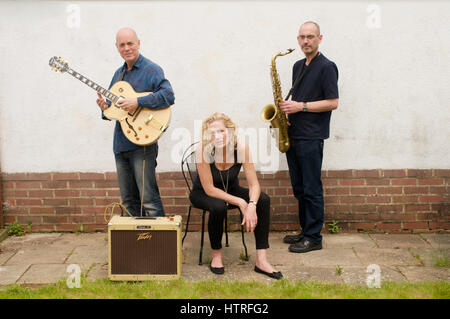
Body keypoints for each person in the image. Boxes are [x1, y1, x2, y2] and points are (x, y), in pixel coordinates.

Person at [189, 112, 282, 279]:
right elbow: (209, 189)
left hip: (231, 189)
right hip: (203, 193)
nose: (217, 136)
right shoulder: (203, 151)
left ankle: (261, 260)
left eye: (221, 131)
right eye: (212, 133)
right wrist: (240, 202)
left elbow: (254, 184)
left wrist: (252, 204)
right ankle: (216, 255)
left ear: (230, 131)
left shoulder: (241, 148)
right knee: (218, 206)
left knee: (263, 200)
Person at [96, 27, 175, 217]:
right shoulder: (118, 75)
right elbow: (114, 112)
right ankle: (138, 242)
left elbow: (168, 95)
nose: (127, 48)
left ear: (138, 43)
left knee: (148, 199)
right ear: (117, 48)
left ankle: (159, 244)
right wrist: (104, 109)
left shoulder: (151, 69)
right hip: (121, 144)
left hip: (143, 145)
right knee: (128, 200)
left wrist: (137, 101)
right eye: (122, 45)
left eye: (130, 43)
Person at [279, 21, 339, 253]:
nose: (306, 41)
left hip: (312, 137)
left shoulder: (327, 67)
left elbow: (332, 102)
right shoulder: (297, 65)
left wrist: (300, 107)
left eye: (311, 37)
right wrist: (286, 112)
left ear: (320, 39)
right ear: (298, 39)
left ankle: (314, 237)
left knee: (312, 187)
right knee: (300, 188)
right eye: (302, 37)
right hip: (295, 135)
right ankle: (305, 231)